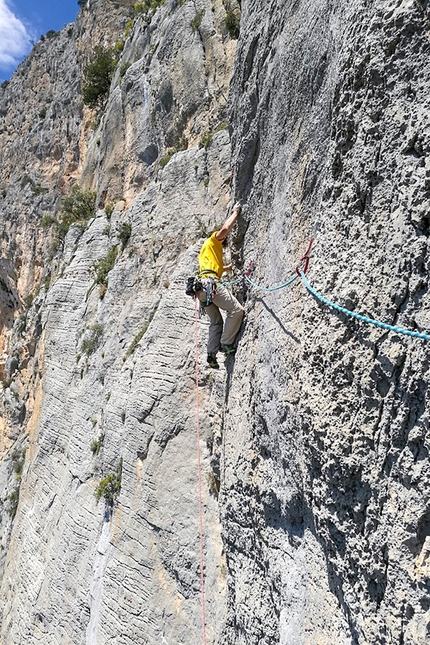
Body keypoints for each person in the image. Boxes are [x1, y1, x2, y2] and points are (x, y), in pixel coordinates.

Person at [197, 202, 244, 368]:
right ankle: (225, 344)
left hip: (201, 289)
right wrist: (236, 212)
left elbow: (212, 267)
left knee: (216, 322)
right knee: (237, 310)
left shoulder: (206, 250)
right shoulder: (213, 240)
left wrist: (227, 268)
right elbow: (225, 228)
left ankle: (211, 353)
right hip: (210, 285)